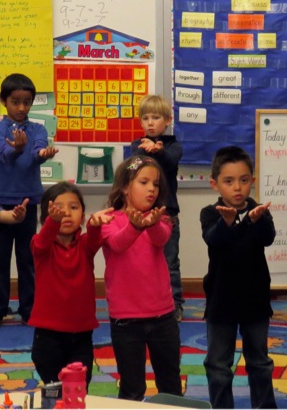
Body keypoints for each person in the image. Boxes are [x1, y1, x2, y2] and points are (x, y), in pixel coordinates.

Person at [201, 145, 276, 410]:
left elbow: (268, 238)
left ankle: (265, 406)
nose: (237, 188)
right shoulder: (211, 213)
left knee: (260, 362)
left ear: (252, 181)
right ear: (215, 183)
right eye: (229, 181)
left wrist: (256, 221)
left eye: (244, 180)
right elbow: (214, 239)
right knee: (218, 365)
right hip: (221, 301)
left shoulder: (259, 211)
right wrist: (227, 222)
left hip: (255, 301)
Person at [102, 155, 182, 401]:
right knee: (132, 387)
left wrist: (151, 223)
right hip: (126, 320)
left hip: (162, 316)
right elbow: (118, 244)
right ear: (125, 187)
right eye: (144, 182)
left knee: (170, 383)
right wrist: (135, 226)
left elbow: (160, 239)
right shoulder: (109, 219)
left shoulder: (162, 219)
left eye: (156, 184)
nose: (151, 189)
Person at [0, 73, 58, 327]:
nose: (21, 108)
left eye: (27, 102)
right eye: (15, 102)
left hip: (28, 201)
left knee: (28, 260)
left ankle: (29, 310)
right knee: (0, 261)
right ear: (3, 101)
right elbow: (4, 154)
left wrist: (43, 154)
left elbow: (38, 151)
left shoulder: (38, 129)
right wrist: (16, 149)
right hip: (0, 203)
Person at [30, 182, 112, 386]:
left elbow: (94, 238)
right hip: (48, 335)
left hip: (81, 334)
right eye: (58, 209)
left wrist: (95, 225)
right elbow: (41, 243)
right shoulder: (41, 245)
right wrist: (53, 222)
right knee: (53, 388)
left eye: (73, 207)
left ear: (82, 217)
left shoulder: (85, 245)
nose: (66, 213)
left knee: (79, 386)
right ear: (46, 218)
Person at [130, 95, 184, 321]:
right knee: (142, 261)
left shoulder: (173, 146)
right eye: (145, 118)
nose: (150, 123)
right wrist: (146, 151)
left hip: (167, 213)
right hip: (142, 214)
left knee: (169, 261)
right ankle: (144, 301)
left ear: (168, 120)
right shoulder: (137, 146)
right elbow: (133, 169)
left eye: (156, 117)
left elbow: (170, 162)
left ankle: (175, 303)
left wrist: (158, 151)